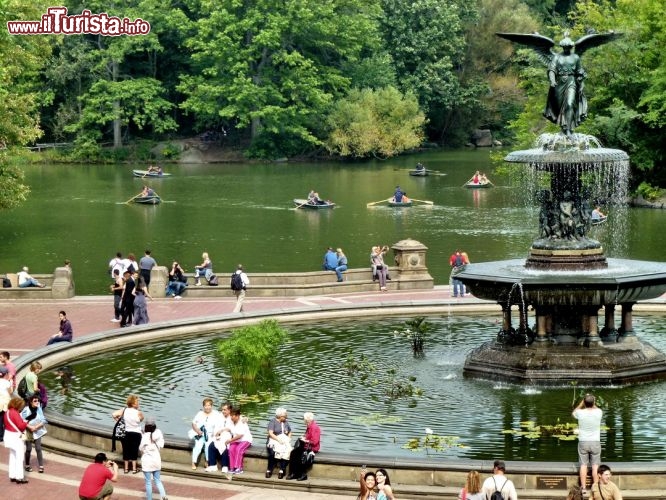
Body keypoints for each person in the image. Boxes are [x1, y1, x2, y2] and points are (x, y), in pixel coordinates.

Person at [544, 35, 587, 137]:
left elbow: (580, 72)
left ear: (571, 47)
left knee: (569, 103)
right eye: (565, 47)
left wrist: (581, 83)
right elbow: (551, 70)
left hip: (571, 82)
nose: (566, 48)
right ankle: (563, 128)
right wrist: (552, 80)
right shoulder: (557, 57)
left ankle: (568, 129)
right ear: (562, 47)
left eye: (568, 46)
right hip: (559, 84)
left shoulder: (575, 58)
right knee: (560, 108)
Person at [572, 393, 603, 491]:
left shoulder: (580, 413)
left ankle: (583, 488)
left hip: (583, 442)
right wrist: (591, 400)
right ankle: (596, 487)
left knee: (583, 465)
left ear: (584, 403)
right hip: (595, 442)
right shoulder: (599, 412)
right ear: (594, 402)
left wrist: (582, 403)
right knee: (595, 466)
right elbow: (595, 407)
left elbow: (573, 412)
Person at [112, 394, 144, 474]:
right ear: (133, 403)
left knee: (125, 450)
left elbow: (114, 414)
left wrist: (119, 421)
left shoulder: (124, 410)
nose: (138, 403)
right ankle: (134, 469)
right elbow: (141, 419)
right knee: (134, 450)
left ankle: (126, 469)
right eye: (137, 402)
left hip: (126, 432)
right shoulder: (139, 412)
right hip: (136, 433)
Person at [287, 411, 321, 481]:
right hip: (306, 446)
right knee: (293, 453)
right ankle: (293, 473)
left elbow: (315, 442)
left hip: (312, 447)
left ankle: (303, 474)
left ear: (307, 419)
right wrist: (304, 437)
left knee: (301, 454)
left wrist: (305, 440)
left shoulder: (314, 427)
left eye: (304, 419)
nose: (303, 420)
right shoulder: (309, 426)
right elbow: (308, 437)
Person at [140, 417, 168, 500]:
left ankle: (149, 499)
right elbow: (161, 445)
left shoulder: (145, 436)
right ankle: (164, 497)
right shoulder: (158, 433)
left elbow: (140, 448)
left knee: (148, 482)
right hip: (156, 460)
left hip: (147, 462)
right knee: (158, 480)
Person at [4, 396, 29, 483]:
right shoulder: (15, 413)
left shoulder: (7, 412)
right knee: (19, 457)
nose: (21, 408)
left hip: (8, 435)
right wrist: (26, 421)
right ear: (17, 405)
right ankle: (19, 477)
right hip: (16, 437)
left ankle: (12, 475)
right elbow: (21, 427)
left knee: (12, 456)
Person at [21, 393, 47, 473]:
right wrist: (30, 427)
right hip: (28, 431)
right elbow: (23, 421)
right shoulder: (26, 410)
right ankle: (27, 465)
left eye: (38, 401)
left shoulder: (39, 409)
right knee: (28, 449)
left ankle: (41, 466)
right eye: (35, 401)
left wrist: (36, 427)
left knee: (38, 448)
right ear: (31, 402)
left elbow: (44, 420)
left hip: (38, 430)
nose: (37, 402)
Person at [191, 397, 218, 470]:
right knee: (197, 447)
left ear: (211, 406)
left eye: (209, 405)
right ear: (203, 406)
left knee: (208, 447)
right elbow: (193, 423)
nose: (207, 407)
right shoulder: (200, 414)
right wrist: (197, 431)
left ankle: (207, 461)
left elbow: (220, 422)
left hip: (210, 434)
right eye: (206, 405)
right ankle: (193, 462)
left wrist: (215, 432)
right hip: (200, 433)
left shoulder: (216, 414)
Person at [265, 407, 292, 479]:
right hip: (274, 439)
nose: (286, 416)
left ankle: (282, 470)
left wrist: (289, 438)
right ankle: (269, 469)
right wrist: (278, 439)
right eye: (285, 415)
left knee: (287, 451)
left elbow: (290, 432)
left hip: (284, 440)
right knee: (272, 453)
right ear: (280, 416)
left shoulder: (286, 422)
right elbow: (270, 433)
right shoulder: (272, 421)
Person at [207, 401, 233, 472]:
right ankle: (212, 465)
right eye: (222, 410)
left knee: (225, 446)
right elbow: (216, 426)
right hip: (220, 436)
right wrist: (216, 433)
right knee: (211, 446)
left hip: (229, 436)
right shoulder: (219, 416)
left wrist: (224, 430)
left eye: (224, 410)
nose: (223, 411)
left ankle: (225, 466)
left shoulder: (233, 416)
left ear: (229, 410)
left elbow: (234, 428)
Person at [226, 408, 253, 474]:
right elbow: (229, 429)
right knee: (231, 449)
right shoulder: (231, 421)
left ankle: (239, 467)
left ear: (237, 416)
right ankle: (232, 467)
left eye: (233, 416)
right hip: (236, 440)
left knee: (239, 449)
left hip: (245, 440)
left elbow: (240, 435)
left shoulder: (242, 422)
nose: (231, 417)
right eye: (231, 415)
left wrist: (230, 440)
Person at [0, 367, 12, 441]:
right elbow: (10, 392)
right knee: (3, 419)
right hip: (4, 403)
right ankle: (2, 435)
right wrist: (10, 383)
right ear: (6, 374)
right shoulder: (7, 382)